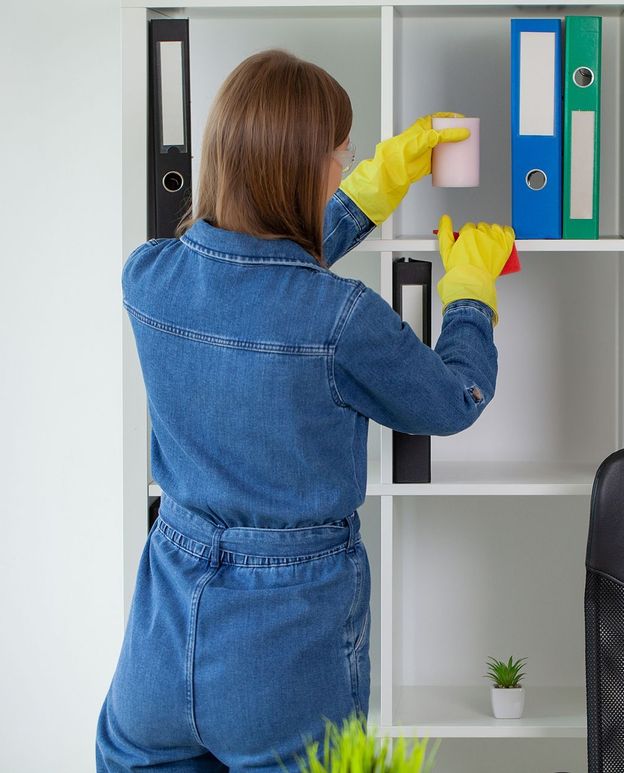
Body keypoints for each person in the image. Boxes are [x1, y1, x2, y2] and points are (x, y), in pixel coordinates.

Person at [97, 49, 514, 771]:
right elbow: (450, 400)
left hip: (161, 645)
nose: (344, 167)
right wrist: (470, 294)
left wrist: (380, 185)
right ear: (306, 172)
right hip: (283, 643)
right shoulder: (342, 318)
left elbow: (252, 272)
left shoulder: (148, 277)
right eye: (340, 157)